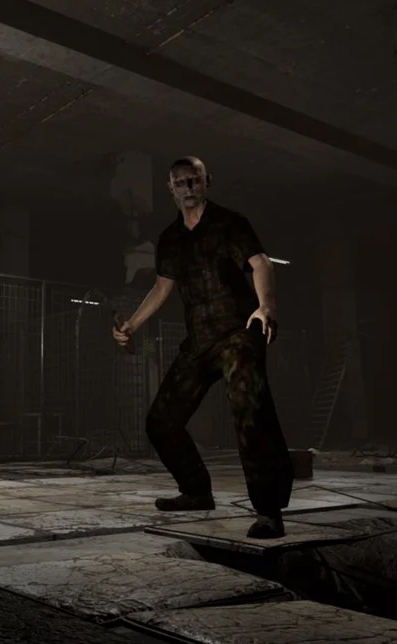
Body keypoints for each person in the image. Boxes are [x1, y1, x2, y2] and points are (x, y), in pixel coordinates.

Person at [112, 156, 294, 539]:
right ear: (171, 189)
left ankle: (269, 511)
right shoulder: (170, 238)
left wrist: (266, 305)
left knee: (250, 410)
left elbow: (261, 264)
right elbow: (161, 288)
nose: (188, 187)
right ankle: (196, 491)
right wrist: (133, 324)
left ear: (206, 181)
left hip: (239, 332)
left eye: (194, 179)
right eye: (180, 182)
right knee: (160, 421)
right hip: (199, 341)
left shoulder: (230, 223)